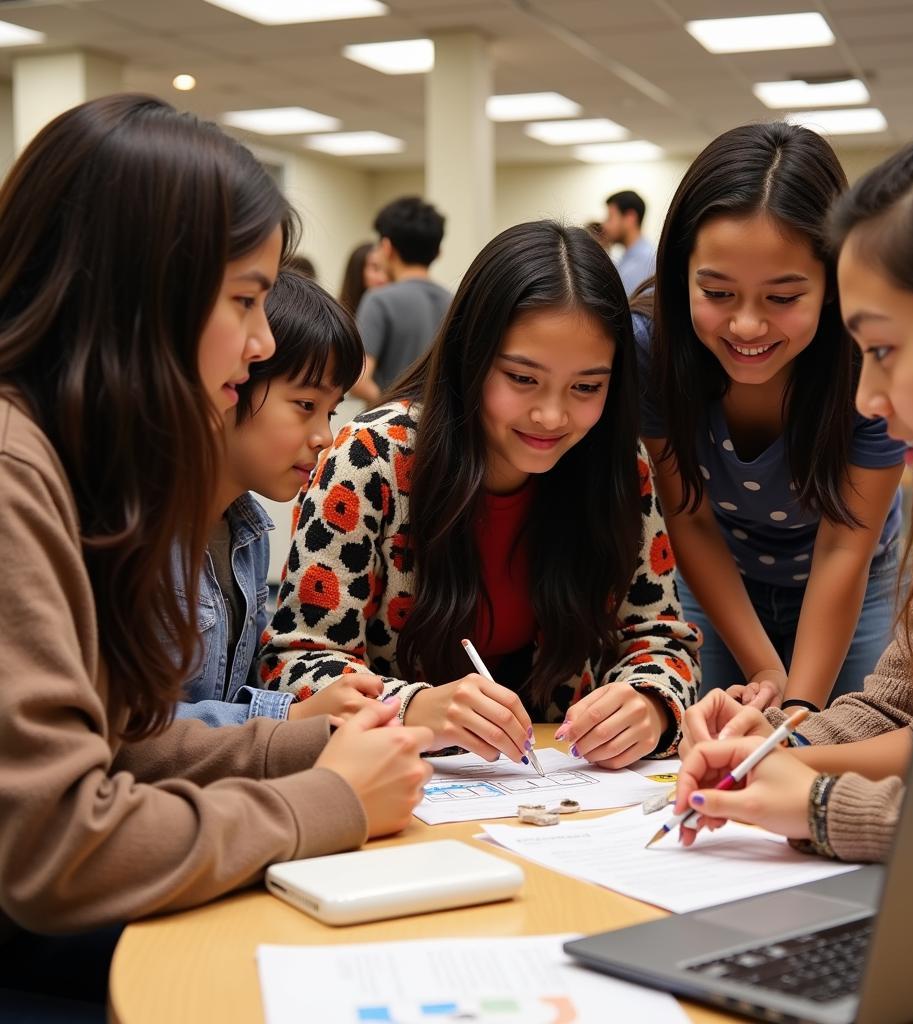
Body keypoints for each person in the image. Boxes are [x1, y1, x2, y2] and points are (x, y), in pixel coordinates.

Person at [0, 95, 433, 1016]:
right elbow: (61, 846)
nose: (264, 339)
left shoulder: (74, 461)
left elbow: (118, 746)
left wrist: (310, 745)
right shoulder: (13, 471)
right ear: (141, 293)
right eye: (244, 299)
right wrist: (326, 801)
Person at [672, 72, 913, 863]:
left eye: (886, 351)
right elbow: (912, 711)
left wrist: (822, 801)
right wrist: (780, 749)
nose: (866, 398)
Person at [260, 220, 701, 768]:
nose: (551, 415)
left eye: (587, 387)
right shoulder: (372, 458)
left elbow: (662, 639)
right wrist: (413, 707)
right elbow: (294, 663)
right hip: (400, 789)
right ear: (472, 356)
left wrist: (651, 704)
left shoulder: (617, 466)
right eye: (521, 378)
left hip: (565, 794)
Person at [636, 123, 905, 713]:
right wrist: (763, 666)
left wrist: (800, 712)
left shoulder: (871, 357)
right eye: (718, 293)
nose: (748, 327)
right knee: (714, 735)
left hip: (850, 573)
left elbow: (844, 546)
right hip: (718, 570)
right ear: (683, 274)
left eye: (783, 298)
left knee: (848, 730)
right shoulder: (650, 351)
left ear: (833, 284)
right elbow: (691, 519)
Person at [175, 268, 382, 727]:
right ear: (230, 381)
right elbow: (126, 727)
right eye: (305, 406)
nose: (324, 437)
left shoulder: (248, 534)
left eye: (330, 411)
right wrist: (287, 717)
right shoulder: (139, 533)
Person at [349, 196, 451, 405]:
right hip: (437, 428)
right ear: (438, 253)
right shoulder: (454, 301)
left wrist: (392, 407)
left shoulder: (379, 300)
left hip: (389, 430)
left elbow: (358, 380)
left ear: (386, 248)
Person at [603, 190, 656, 297]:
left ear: (630, 218)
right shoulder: (625, 259)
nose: (605, 225)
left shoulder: (648, 261)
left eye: (610, 217)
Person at [339, 240, 389, 313]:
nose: (383, 278)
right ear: (357, 270)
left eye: (387, 270)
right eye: (375, 268)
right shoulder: (337, 313)